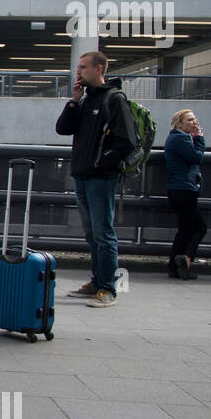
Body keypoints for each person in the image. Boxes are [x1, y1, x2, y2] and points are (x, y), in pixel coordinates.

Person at [55, 50, 133, 309]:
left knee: (103, 233)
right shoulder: (86, 100)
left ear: (99, 69)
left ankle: (108, 288)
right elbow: (63, 129)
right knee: (91, 234)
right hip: (82, 175)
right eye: (78, 67)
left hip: (101, 178)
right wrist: (74, 101)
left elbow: (127, 141)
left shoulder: (114, 99)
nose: (78, 72)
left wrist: (102, 163)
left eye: (83, 67)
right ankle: (96, 281)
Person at [164, 109, 206, 280]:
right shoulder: (180, 138)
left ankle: (177, 265)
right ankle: (183, 260)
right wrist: (200, 139)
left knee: (187, 229)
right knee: (197, 228)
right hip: (184, 189)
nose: (194, 123)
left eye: (195, 120)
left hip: (182, 189)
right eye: (189, 120)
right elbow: (196, 157)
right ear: (178, 123)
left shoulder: (178, 137)